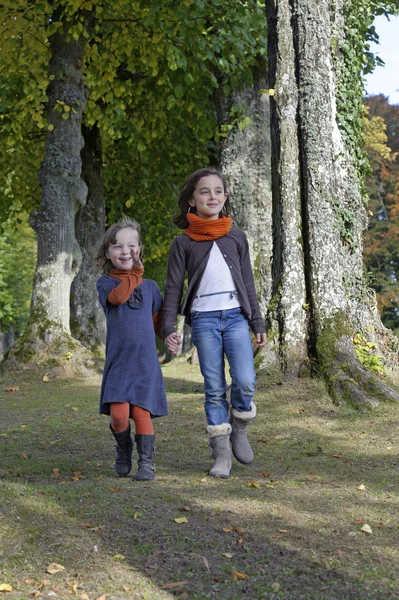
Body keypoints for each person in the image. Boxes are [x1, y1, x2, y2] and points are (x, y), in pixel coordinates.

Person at [162, 167, 266, 479]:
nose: (212, 196)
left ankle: (239, 428)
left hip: (235, 318)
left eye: (217, 191)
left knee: (245, 380)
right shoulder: (183, 243)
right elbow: (172, 288)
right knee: (214, 386)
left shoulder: (236, 236)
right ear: (192, 201)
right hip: (204, 322)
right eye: (204, 191)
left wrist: (257, 323)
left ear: (225, 198)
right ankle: (221, 452)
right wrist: (169, 328)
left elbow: (248, 283)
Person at [95, 217, 167, 481]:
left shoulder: (150, 287)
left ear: (139, 250)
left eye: (131, 246)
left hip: (145, 362)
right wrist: (135, 274)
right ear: (107, 253)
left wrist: (168, 336)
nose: (125, 251)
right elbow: (120, 297)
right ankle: (123, 448)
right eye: (117, 246)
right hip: (119, 362)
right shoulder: (106, 284)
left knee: (141, 413)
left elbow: (158, 322)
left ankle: (146, 463)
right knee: (119, 416)